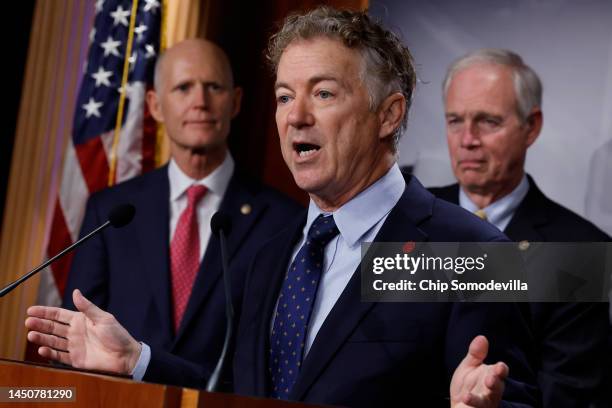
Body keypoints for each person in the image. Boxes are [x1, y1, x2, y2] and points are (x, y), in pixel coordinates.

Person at [25, 9, 538, 407]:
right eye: (285, 96)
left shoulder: (470, 253)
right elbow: (230, 394)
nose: (297, 117)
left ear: (389, 114)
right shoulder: (268, 254)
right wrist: (138, 360)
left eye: (323, 93)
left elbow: (511, 397)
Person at [61, 39, 301, 385]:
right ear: (155, 105)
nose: (200, 102)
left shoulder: (283, 221)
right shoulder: (109, 212)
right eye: (184, 88)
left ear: (235, 103)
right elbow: (79, 334)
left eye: (213, 87)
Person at [429, 48, 610, 407]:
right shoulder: (400, 221)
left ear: (532, 126)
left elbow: (569, 397)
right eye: (455, 121)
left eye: (488, 121)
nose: (467, 140)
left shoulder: (579, 250)